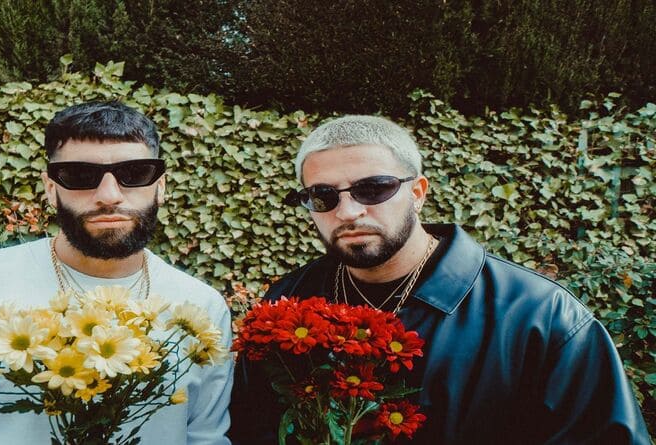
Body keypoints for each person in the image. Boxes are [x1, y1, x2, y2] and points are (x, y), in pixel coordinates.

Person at [228, 115, 651, 444]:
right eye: (322, 196)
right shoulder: (286, 305)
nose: (349, 211)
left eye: (373, 189)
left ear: (417, 193)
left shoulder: (537, 315)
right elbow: (250, 428)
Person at [0, 101, 233, 444]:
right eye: (80, 175)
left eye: (134, 173)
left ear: (160, 186)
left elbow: (205, 439)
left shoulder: (201, 309)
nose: (109, 195)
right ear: (51, 189)